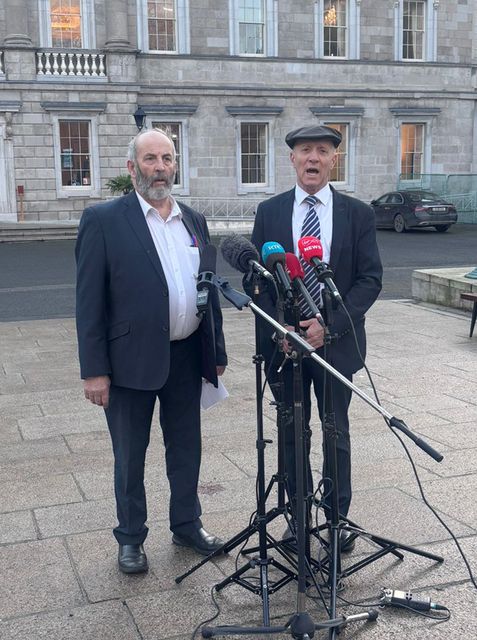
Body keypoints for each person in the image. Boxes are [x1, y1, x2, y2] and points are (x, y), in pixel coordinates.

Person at [75, 128, 227, 574]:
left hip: (184, 356)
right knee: (130, 454)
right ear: (131, 168)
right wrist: (94, 371)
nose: (159, 167)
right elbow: (89, 302)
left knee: (186, 448)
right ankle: (131, 538)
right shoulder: (104, 220)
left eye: (166, 158)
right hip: (127, 363)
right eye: (149, 159)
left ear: (175, 164)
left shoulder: (193, 220)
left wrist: (215, 351)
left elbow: (207, 291)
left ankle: (186, 523)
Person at [251, 125, 382, 551]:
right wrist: (280, 327)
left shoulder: (357, 214)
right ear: (291, 159)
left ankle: (337, 518)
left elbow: (369, 280)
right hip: (286, 347)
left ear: (333, 160)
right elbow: (260, 281)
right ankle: (296, 516)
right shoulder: (269, 212)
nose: (312, 158)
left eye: (321, 151)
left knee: (334, 432)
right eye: (304, 150)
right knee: (292, 433)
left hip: (336, 347)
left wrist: (330, 326)